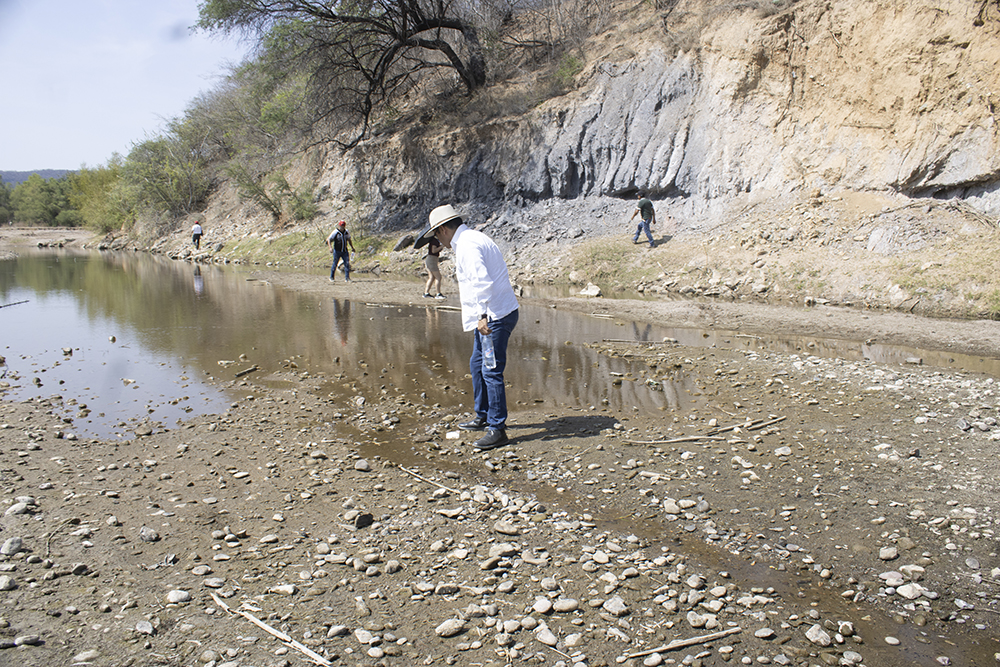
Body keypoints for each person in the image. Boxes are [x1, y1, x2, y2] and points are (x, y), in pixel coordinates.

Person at [414, 204, 519, 450]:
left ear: (442, 229)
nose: (438, 240)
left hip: (494, 316)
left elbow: (483, 282)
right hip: (490, 315)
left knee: (491, 370)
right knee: (476, 363)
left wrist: (482, 316)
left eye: (436, 235)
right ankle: (483, 415)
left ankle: (497, 428)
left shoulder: (469, 245)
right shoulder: (469, 240)